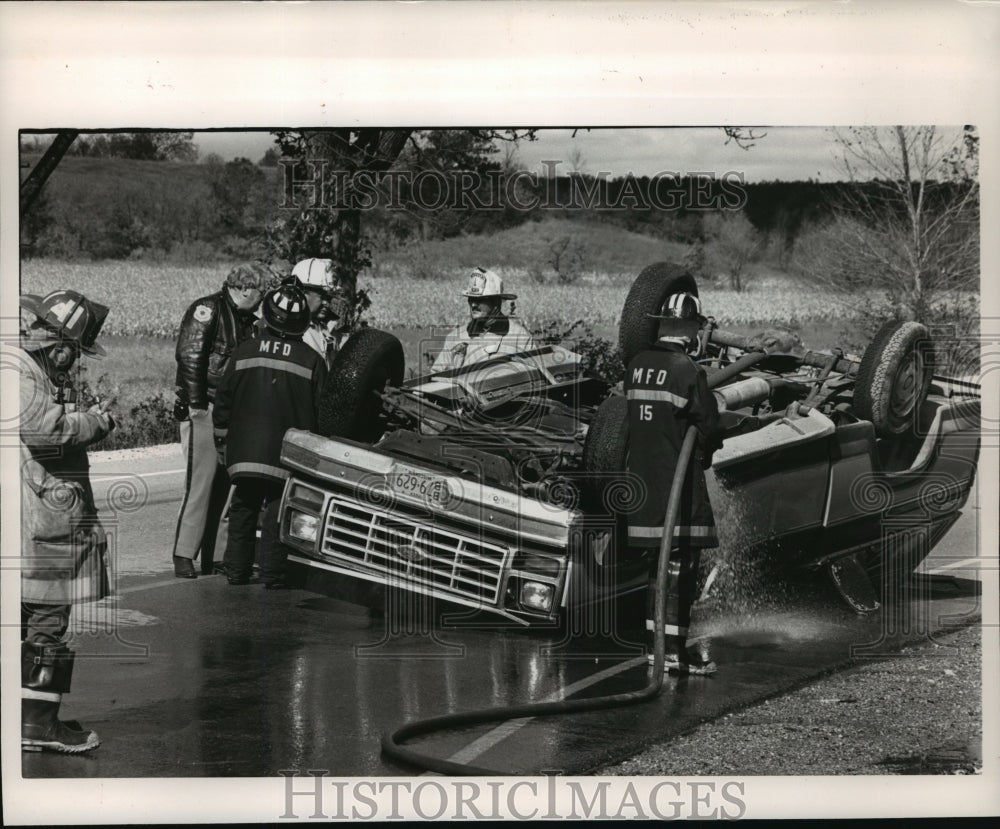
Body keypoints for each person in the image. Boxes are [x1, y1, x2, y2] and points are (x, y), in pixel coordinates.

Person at [14, 290, 115, 753]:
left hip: (32, 514)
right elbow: (43, 431)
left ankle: (23, 716)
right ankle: (37, 725)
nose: (73, 363)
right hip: (43, 521)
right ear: (59, 345)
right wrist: (96, 421)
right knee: (47, 617)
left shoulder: (22, 368)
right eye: (74, 353)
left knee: (26, 616)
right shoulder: (24, 374)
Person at [624, 292, 723, 676]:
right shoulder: (687, 370)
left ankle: (655, 648)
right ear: (687, 328)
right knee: (682, 562)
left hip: (643, 486)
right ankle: (677, 653)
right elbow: (709, 426)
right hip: (677, 489)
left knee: (658, 565)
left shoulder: (636, 366)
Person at [213, 278, 327, 588]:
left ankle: (236, 571)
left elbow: (224, 399)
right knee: (280, 510)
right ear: (302, 322)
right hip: (288, 456)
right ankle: (272, 574)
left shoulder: (245, 350)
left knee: (243, 508)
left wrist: (221, 440)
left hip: (244, 451)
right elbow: (323, 413)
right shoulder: (312, 360)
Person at [171, 263, 269, 578]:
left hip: (229, 412)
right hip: (206, 408)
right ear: (244, 289)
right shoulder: (207, 309)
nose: (263, 298)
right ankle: (184, 554)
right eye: (261, 292)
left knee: (227, 486)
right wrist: (198, 406)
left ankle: (215, 557)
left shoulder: (248, 321)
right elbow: (190, 356)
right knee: (200, 485)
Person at [431, 268, 535, 372]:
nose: (473, 305)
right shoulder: (454, 338)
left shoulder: (520, 337)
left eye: (480, 300)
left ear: (496, 302)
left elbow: (536, 376)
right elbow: (436, 380)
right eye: (471, 299)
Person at [291, 257, 350, 368]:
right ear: (302, 293)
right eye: (322, 296)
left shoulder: (326, 328)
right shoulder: (290, 329)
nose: (327, 303)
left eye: (329, 298)